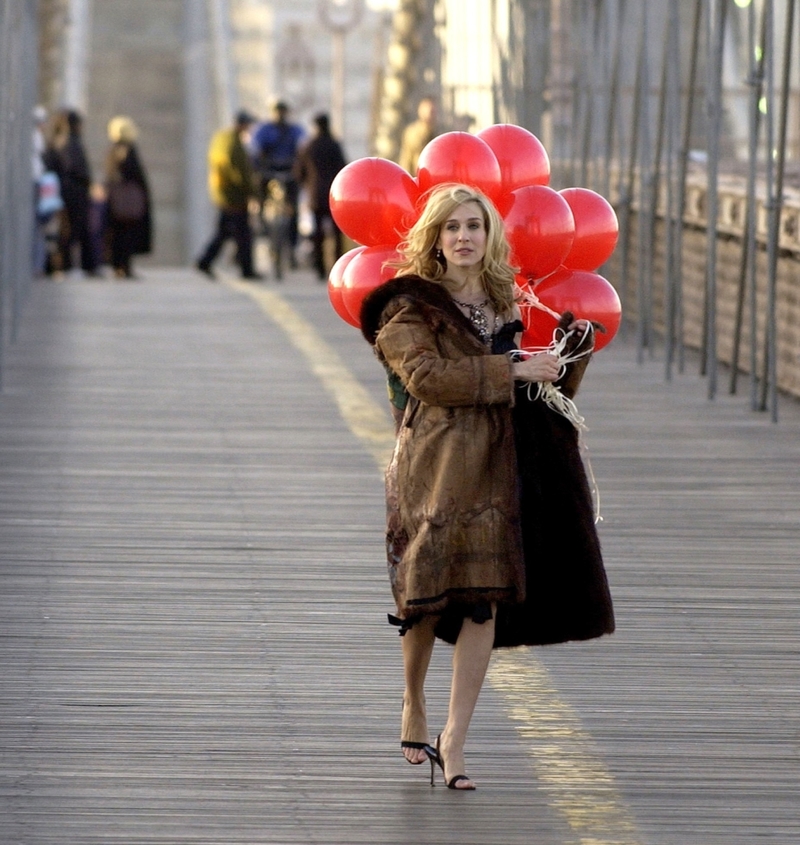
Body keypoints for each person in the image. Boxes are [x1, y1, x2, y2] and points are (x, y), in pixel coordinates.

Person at [359, 183, 614, 790]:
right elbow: (427, 377)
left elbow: (533, 396)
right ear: (437, 238)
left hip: (500, 469)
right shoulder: (410, 308)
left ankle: (456, 738)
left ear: (490, 234)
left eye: (474, 225)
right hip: (437, 464)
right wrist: (513, 367)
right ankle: (413, 701)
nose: (464, 236)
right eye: (452, 227)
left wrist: (565, 359)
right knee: (424, 595)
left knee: (483, 600)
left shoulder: (509, 300)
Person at [196, 110, 262, 280]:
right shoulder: (234, 144)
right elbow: (241, 172)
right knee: (243, 234)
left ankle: (205, 261)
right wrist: (254, 193)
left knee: (224, 232)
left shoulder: (221, 139)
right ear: (242, 124)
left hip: (222, 193)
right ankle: (246, 269)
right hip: (234, 196)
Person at [43, 109, 99, 276]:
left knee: (66, 230)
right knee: (75, 230)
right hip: (75, 193)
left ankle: (64, 265)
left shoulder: (56, 142)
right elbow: (77, 169)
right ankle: (72, 266)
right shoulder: (71, 142)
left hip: (62, 192)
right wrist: (87, 183)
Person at [250, 101, 305, 266]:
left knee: (293, 210)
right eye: (277, 111)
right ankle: (261, 221)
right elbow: (255, 150)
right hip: (269, 172)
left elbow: (302, 150)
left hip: (289, 173)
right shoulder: (264, 130)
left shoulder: (295, 130)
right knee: (260, 196)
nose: (280, 115)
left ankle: (292, 248)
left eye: (283, 111)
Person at [294, 113, 346, 280]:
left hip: (315, 196)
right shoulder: (334, 145)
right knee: (337, 233)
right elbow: (343, 168)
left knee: (318, 233)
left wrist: (307, 186)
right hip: (334, 196)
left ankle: (319, 269)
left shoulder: (308, 146)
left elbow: (298, 173)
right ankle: (337, 266)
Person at [104, 116, 152, 279]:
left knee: (118, 234)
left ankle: (118, 265)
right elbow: (136, 174)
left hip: (116, 201)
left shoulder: (113, 149)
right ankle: (125, 266)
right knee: (128, 235)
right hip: (129, 202)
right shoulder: (129, 150)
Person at [398, 96, 438, 176]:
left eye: (432, 111)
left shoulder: (438, 131)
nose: (429, 113)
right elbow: (407, 157)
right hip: (417, 173)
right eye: (427, 110)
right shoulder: (413, 131)